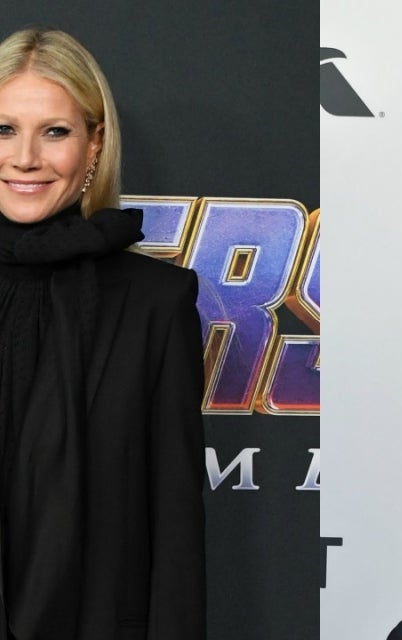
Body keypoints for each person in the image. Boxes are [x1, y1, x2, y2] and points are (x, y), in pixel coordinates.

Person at [0, 28, 205, 639]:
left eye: (54, 132)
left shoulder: (156, 302)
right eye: (3, 129)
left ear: (94, 144)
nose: (25, 157)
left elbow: (175, 526)